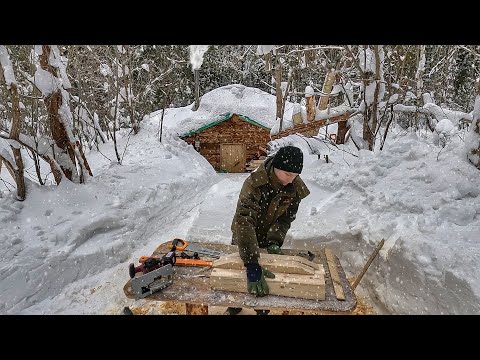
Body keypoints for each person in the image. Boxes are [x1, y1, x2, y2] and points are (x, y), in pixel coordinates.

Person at [226, 145, 310, 315]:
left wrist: (274, 241)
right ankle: (235, 304)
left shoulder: (295, 188)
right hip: (245, 235)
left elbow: (285, 219)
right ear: (276, 167)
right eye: (288, 174)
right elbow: (244, 220)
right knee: (240, 273)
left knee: (267, 277)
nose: (291, 180)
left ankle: (262, 308)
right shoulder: (254, 183)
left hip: (267, 236)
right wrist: (251, 262)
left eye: (295, 175)